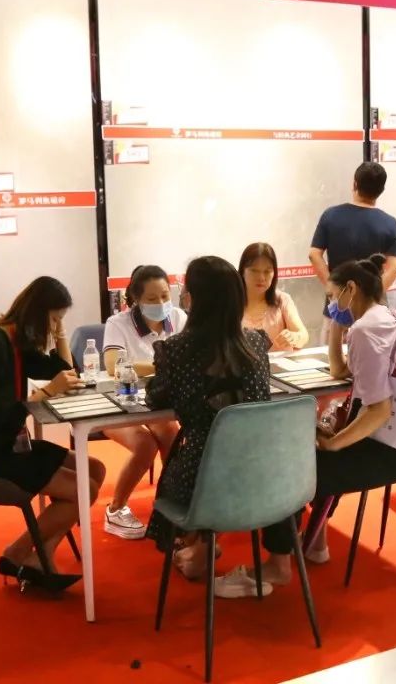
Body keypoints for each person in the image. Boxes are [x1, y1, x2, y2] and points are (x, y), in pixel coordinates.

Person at [144, 256, 295, 598]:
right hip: (269, 474)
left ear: (193, 299)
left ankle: (198, 547)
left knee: (194, 462)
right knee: (235, 456)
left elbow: (156, 397)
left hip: (203, 477)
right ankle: (216, 552)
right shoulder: (255, 342)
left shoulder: (175, 350)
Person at [0, 276, 106, 591]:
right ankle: (17, 552)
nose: (56, 326)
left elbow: (65, 372)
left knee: (95, 469)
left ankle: (41, 555)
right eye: (54, 319)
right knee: (83, 489)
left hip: (5, 442)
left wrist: (61, 333)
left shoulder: (13, 340)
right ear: (37, 313)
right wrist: (47, 392)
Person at [304, 254, 396, 563]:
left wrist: (334, 443)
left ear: (350, 289)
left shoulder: (367, 329)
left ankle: (294, 550)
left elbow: (378, 411)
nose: (330, 305)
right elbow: (339, 370)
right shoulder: (391, 318)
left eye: (332, 297)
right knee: (326, 453)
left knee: (307, 464)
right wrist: (337, 325)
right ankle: (314, 543)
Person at [101, 265, 186, 540]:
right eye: (151, 299)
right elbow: (114, 365)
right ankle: (115, 509)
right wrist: (163, 364)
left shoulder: (178, 317)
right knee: (145, 444)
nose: (160, 303)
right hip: (121, 404)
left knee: (172, 435)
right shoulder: (118, 323)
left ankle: (170, 505)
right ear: (136, 299)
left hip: (160, 402)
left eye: (165, 296)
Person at [309, 161, 396, 343]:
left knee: (333, 358)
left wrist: (334, 291)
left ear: (354, 184)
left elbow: (314, 254)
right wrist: (370, 296)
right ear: (382, 190)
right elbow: (395, 267)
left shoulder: (331, 215)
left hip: (337, 309)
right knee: (375, 359)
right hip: (375, 312)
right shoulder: (391, 224)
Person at [239, 242, 309, 352]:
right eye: (254, 271)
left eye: (267, 271)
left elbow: (303, 335)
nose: (261, 277)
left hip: (280, 362)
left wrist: (294, 337)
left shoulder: (282, 300)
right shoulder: (231, 301)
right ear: (243, 271)